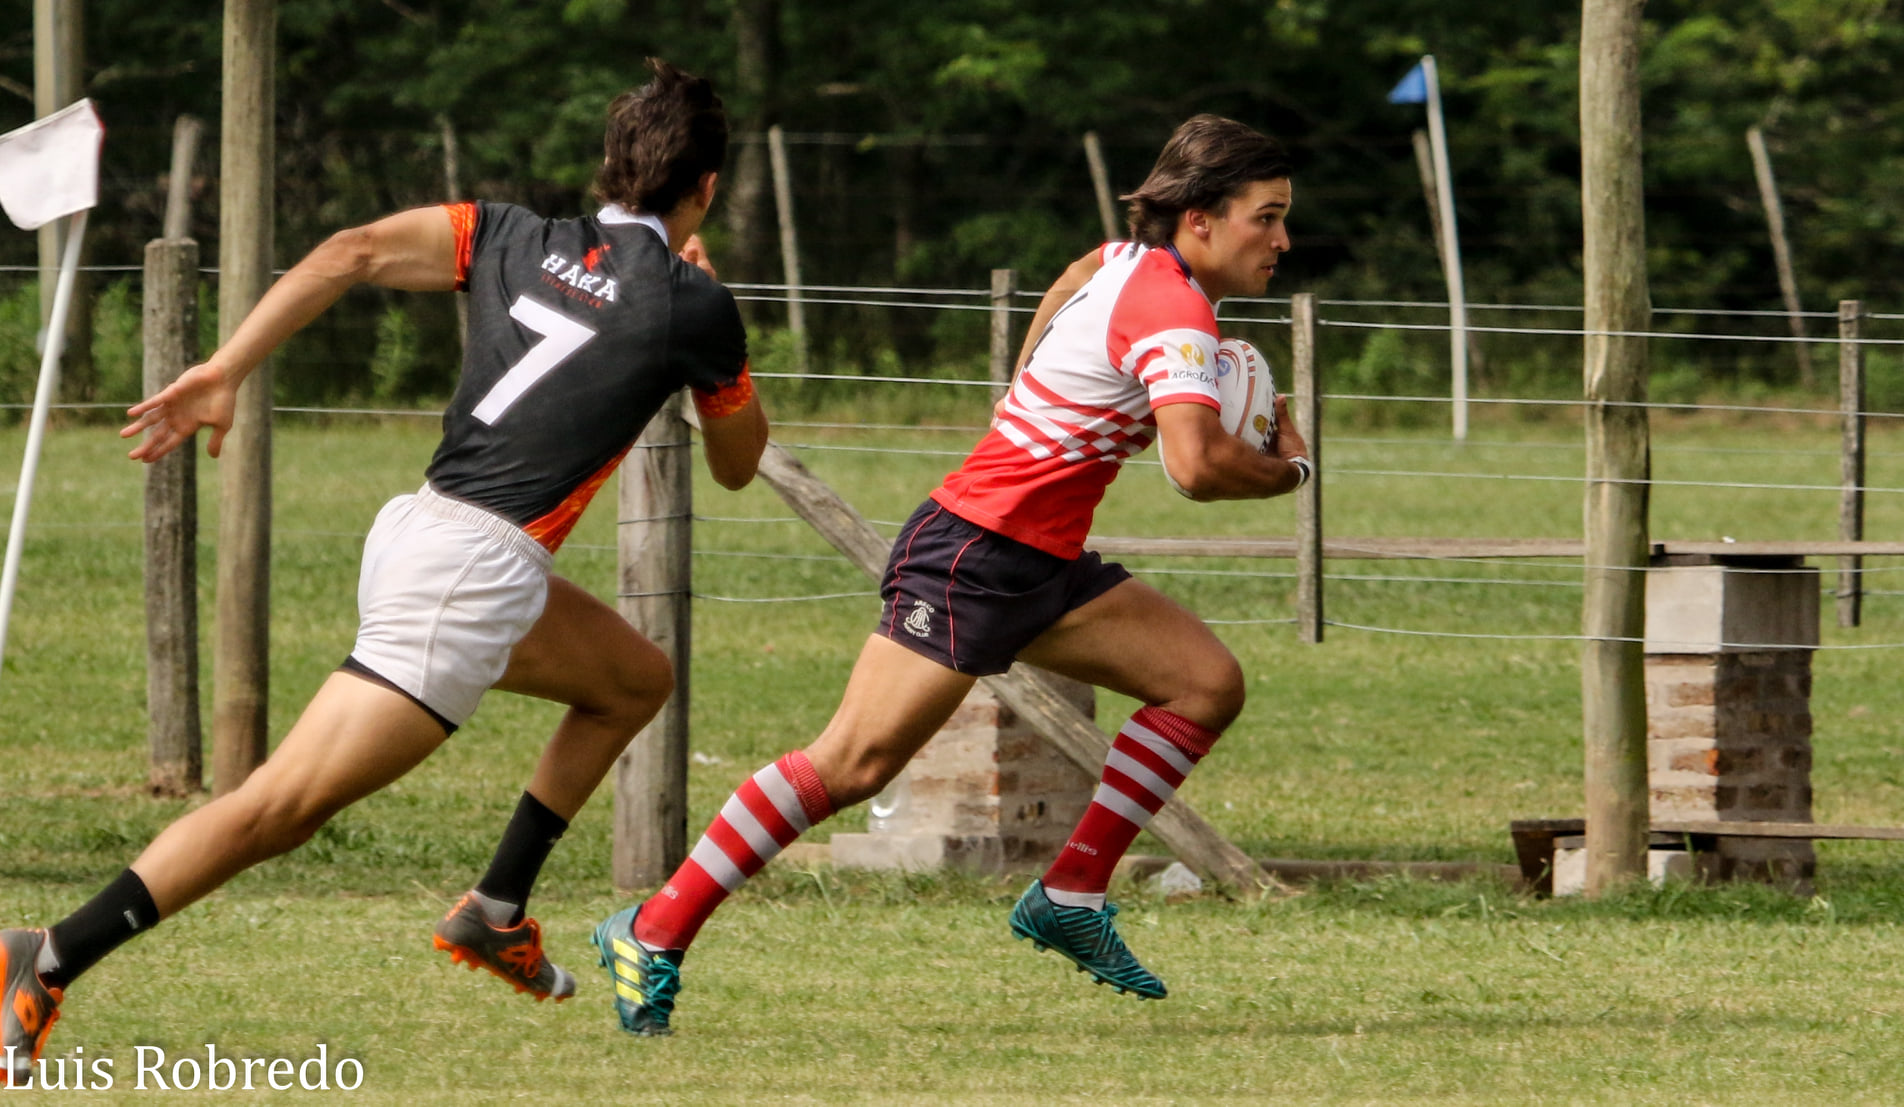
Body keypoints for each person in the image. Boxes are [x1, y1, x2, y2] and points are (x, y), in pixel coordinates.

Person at [0, 58, 767, 1084]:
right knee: (280, 809)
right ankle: (45, 956)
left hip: (422, 530)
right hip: (471, 575)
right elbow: (736, 465)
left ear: (606, 167)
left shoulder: (511, 235)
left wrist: (227, 366)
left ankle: (496, 908)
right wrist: (713, 316)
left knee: (631, 679)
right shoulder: (692, 304)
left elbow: (354, 250)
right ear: (705, 190)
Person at [589, 113, 1311, 1037]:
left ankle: (1072, 894)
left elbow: (1075, 276)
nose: (1283, 240)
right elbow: (1197, 470)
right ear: (1201, 220)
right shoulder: (1174, 310)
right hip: (974, 551)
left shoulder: (1128, 264)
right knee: (853, 761)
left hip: (1038, 559)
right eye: (1268, 216)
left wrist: (1027, 394)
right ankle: (651, 928)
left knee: (1206, 683)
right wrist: (1293, 469)